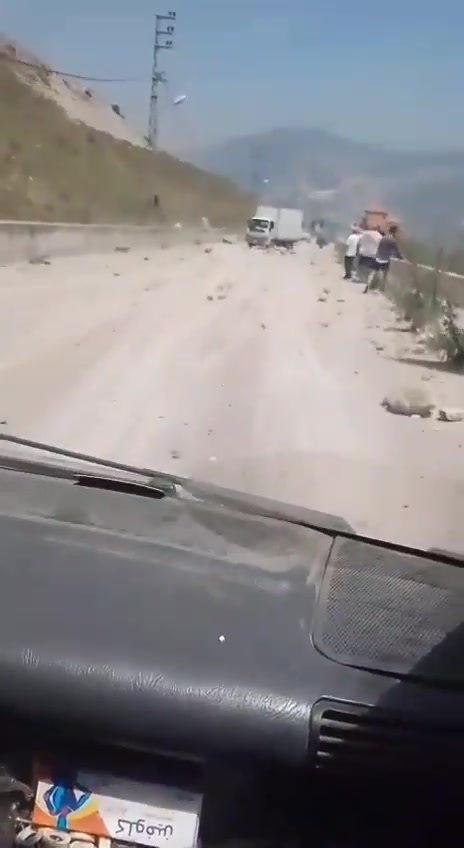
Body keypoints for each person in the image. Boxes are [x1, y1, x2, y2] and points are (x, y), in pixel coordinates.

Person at [357, 225, 383, 292]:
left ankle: (362, 282)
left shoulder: (365, 233)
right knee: (371, 272)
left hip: (363, 254)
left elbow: (359, 240)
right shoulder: (380, 237)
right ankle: (367, 284)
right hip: (373, 255)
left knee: (362, 269)